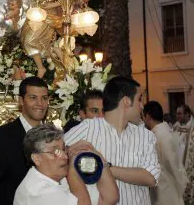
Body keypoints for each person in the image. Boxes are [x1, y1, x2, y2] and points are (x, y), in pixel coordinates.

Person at [65, 76, 160, 205]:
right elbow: (54, 155)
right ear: (126, 101)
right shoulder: (88, 128)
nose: (142, 106)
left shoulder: (145, 136)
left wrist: (101, 166)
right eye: (139, 99)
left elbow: (151, 177)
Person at [0, 77, 50, 204]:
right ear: (21, 100)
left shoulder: (53, 137)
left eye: (44, 98)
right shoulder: (0, 137)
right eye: (33, 98)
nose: (40, 103)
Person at [14, 123, 118, 205]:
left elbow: (110, 199)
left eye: (64, 149)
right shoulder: (38, 191)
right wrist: (72, 170)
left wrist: (98, 156)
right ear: (37, 159)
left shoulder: (61, 178)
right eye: (56, 152)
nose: (64, 156)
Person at [143, 101, 187, 205]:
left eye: (143, 116)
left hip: (168, 189)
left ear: (148, 116)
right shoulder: (159, 133)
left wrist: (181, 185)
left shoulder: (162, 135)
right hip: (161, 187)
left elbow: (172, 164)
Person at [172, 105, 194, 205]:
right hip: (176, 168)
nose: (177, 116)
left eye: (180, 113)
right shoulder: (175, 127)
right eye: (177, 113)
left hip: (189, 170)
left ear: (188, 114)